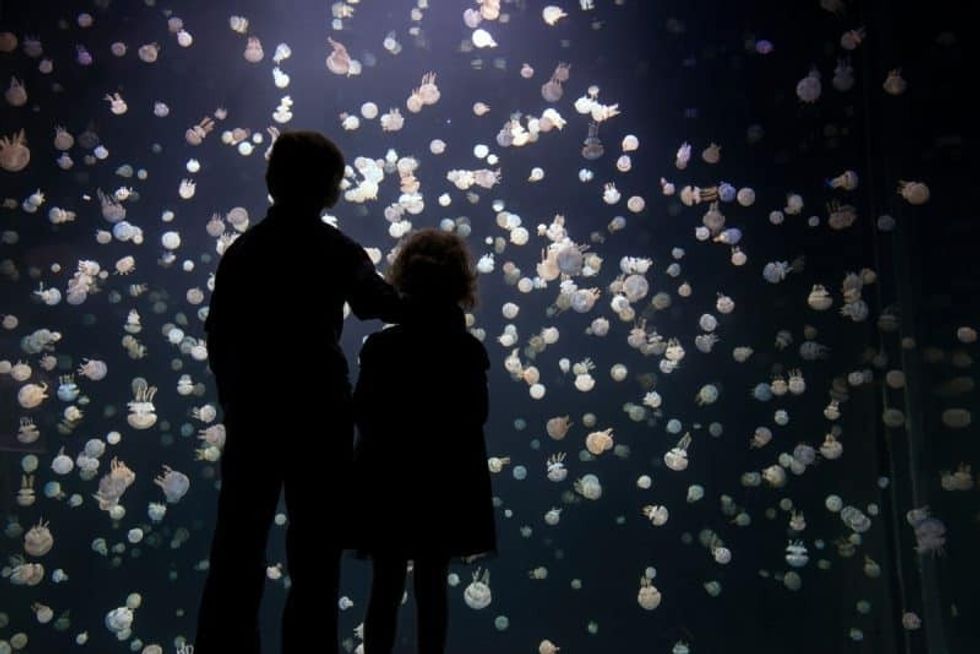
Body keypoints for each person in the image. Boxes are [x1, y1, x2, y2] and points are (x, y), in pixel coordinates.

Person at [195, 131, 404, 654]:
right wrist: (436, 295)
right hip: (319, 412)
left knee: (237, 548)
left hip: (254, 413)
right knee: (316, 554)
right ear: (332, 189)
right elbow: (380, 301)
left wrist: (235, 398)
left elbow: (218, 336)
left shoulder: (244, 251)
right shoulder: (336, 250)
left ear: (272, 179)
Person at [350, 228, 497, 654]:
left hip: (389, 477)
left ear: (403, 279)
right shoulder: (466, 350)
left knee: (386, 581)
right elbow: (477, 415)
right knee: (432, 583)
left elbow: (363, 411)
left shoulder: (381, 347)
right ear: (460, 284)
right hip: (445, 480)